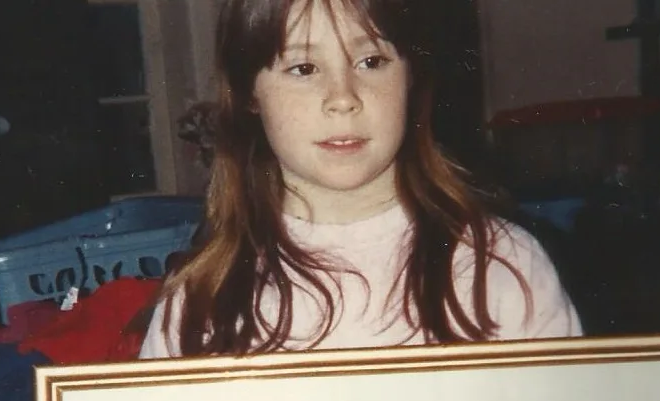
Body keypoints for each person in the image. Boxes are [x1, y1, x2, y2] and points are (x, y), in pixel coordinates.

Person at [139, 0, 581, 359]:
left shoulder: (504, 266)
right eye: (304, 69)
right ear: (249, 94)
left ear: (411, 77)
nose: (343, 99)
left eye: (371, 61)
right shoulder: (201, 299)